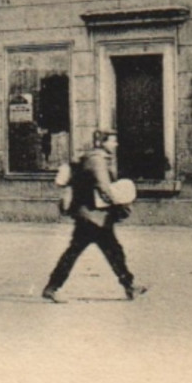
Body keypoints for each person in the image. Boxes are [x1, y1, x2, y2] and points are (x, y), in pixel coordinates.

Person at [42, 129, 145, 303]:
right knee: (86, 252)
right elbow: (104, 187)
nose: (115, 144)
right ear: (102, 142)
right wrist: (119, 204)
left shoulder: (96, 158)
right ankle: (52, 287)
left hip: (94, 215)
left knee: (110, 251)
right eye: (112, 141)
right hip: (92, 217)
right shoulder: (97, 160)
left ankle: (129, 286)